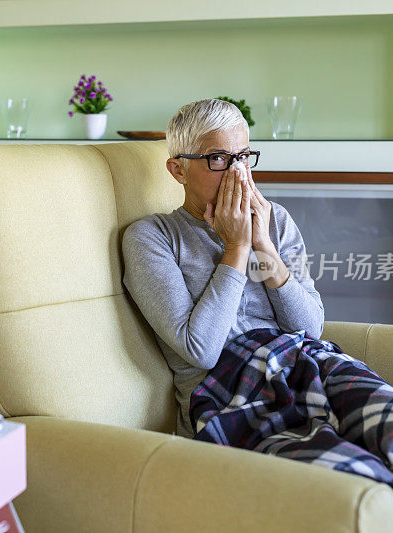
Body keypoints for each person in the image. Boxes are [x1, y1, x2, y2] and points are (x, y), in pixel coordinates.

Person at [122, 98, 324, 439]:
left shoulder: (276, 222)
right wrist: (237, 246)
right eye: (218, 159)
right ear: (178, 170)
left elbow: (310, 329)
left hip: (305, 368)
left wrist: (262, 245)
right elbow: (201, 350)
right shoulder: (152, 237)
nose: (238, 173)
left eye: (243, 157)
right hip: (231, 397)